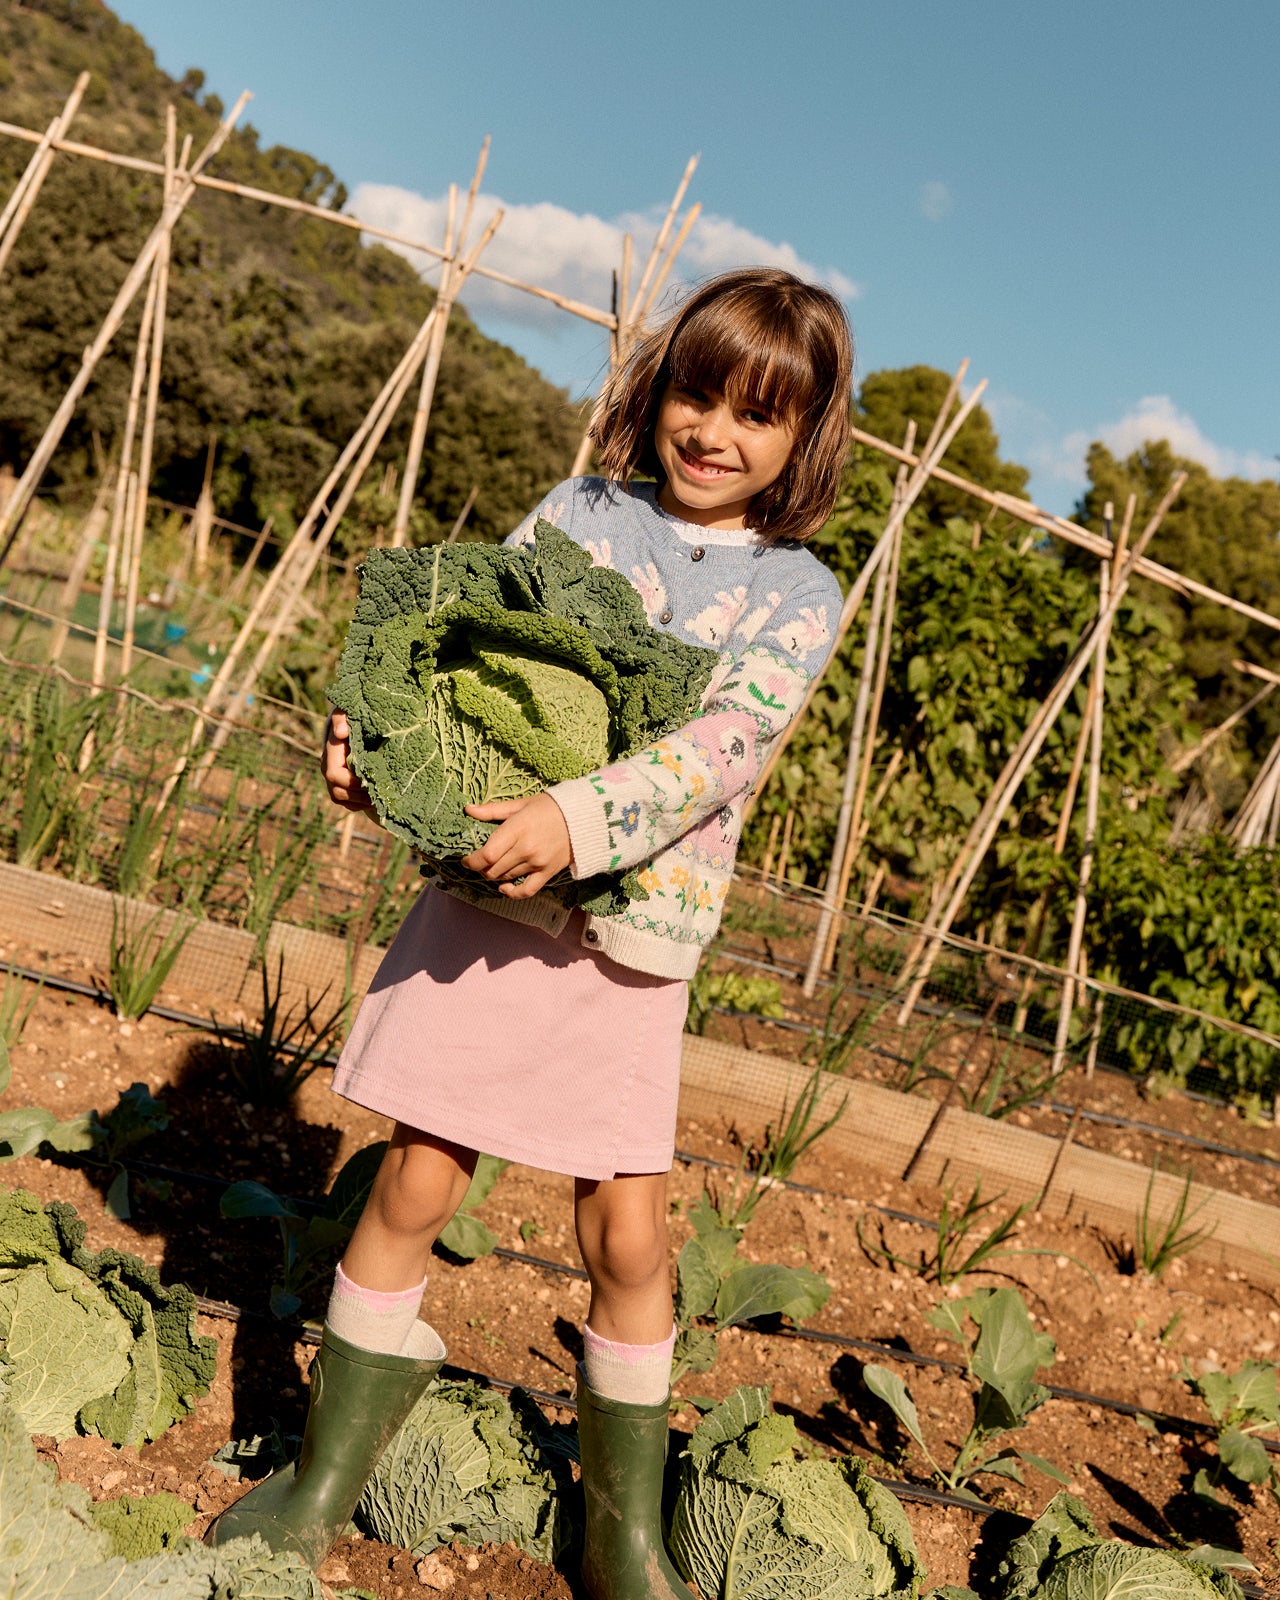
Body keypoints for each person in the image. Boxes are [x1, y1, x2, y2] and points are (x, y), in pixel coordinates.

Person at [208, 267, 853, 1598]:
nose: (715, 433)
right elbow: (452, 648)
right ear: (657, 389)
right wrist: (377, 754)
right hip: (487, 905)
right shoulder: (580, 510)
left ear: (804, 439)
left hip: (625, 944)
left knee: (627, 1237)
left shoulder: (797, 592)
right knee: (413, 1182)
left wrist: (577, 814)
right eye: (696, 392)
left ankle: (618, 1532)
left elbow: (726, 744)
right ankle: (321, 1480)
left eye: (757, 415)